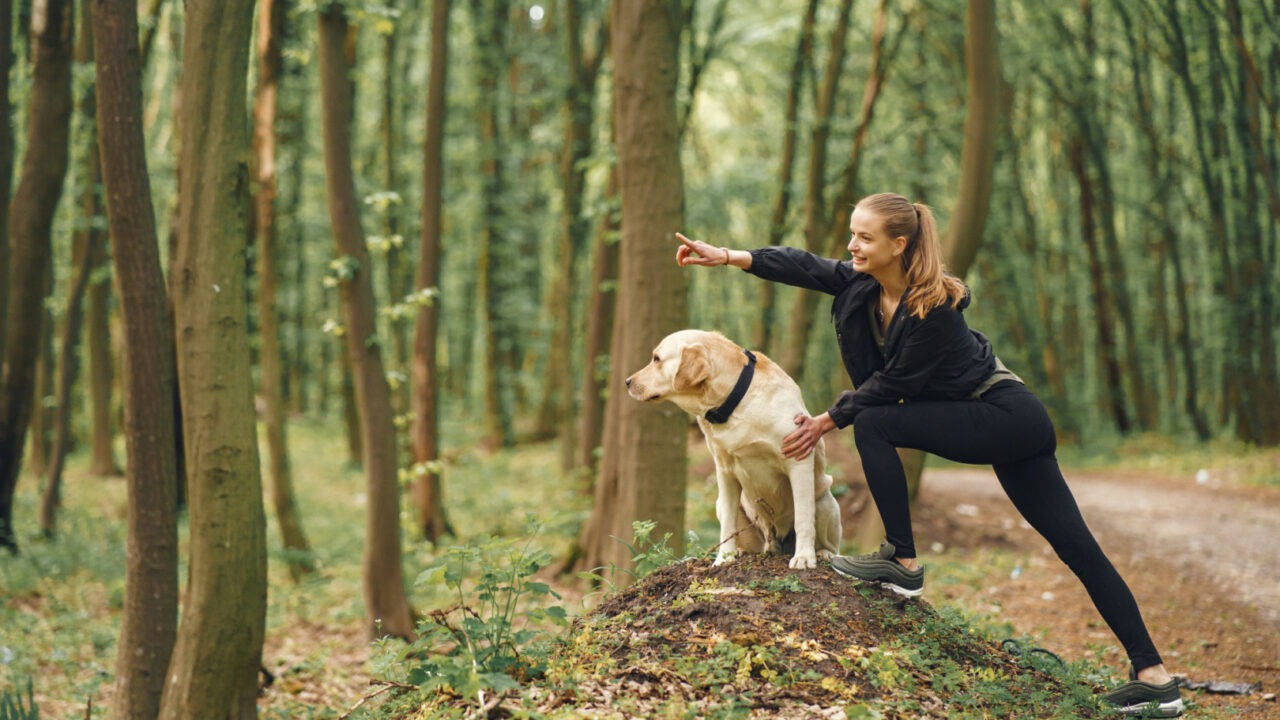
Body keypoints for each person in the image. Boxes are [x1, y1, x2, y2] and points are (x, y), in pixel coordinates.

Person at [674, 192, 1183, 717]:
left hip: (1007, 415)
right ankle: (1155, 677)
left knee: (873, 421)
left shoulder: (935, 307)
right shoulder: (861, 284)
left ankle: (902, 559)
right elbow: (802, 264)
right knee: (1076, 546)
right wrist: (730, 256)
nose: (852, 245)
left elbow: (894, 383)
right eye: (852, 234)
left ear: (899, 244)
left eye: (865, 237)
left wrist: (826, 420)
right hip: (985, 420)